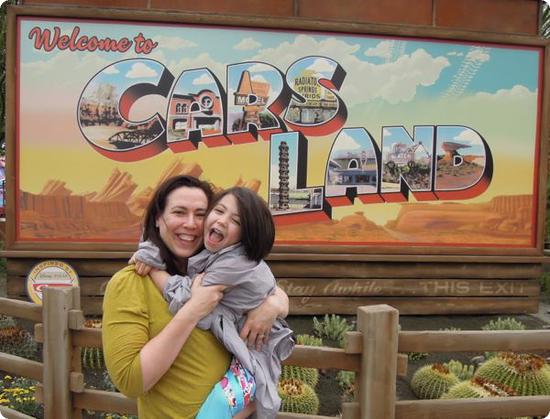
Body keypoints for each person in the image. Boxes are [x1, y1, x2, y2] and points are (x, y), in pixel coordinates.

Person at [102, 176, 290, 419]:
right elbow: (130, 382)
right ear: (158, 218)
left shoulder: (209, 268)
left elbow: (262, 284)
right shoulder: (132, 281)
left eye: (200, 214)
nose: (191, 224)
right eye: (179, 212)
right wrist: (192, 311)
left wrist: (274, 303)